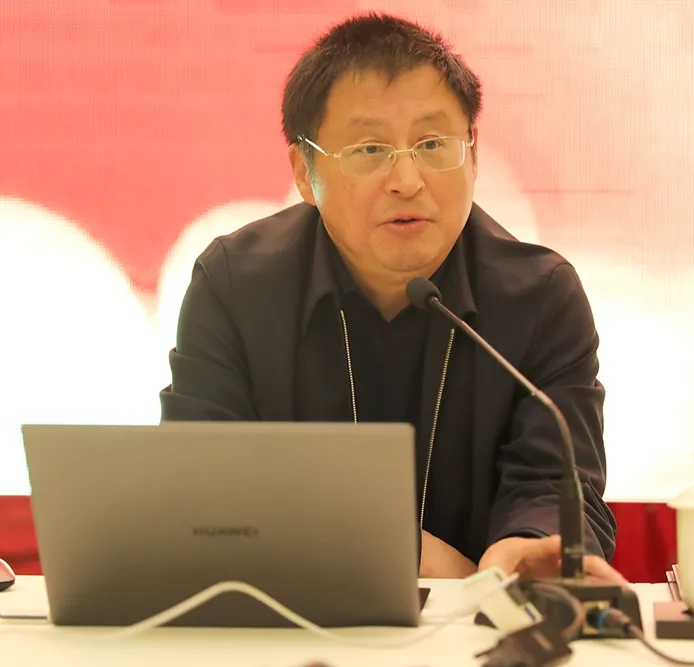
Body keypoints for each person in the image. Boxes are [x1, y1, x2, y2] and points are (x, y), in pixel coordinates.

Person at [160, 12, 624, 584]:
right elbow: (202, 487)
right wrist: (421, 558)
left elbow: (558, 486)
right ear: (304, 172)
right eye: (370, 148)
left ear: (473, 153)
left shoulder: (541, 298)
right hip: (284, 613)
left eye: (432, 143)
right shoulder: (236, 286)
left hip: (482, 623)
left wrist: (526, 552)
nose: (407, 179)